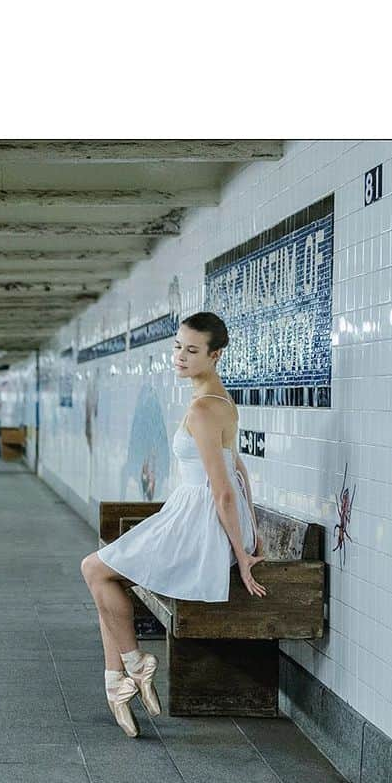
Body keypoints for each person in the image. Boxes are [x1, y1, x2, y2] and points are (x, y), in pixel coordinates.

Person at [79, 312, 265, 738]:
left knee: (95, 570)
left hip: (201, 526)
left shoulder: (203, 409)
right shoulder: (217, 400)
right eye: (177, 347)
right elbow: (240, 470)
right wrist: (252, 530)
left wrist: (243, 554)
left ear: (215, 355)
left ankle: (129, 666)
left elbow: (223, 490)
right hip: (196, 517)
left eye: (192, 350)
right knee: (102, 575)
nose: (180, 356)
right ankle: (120, 678)